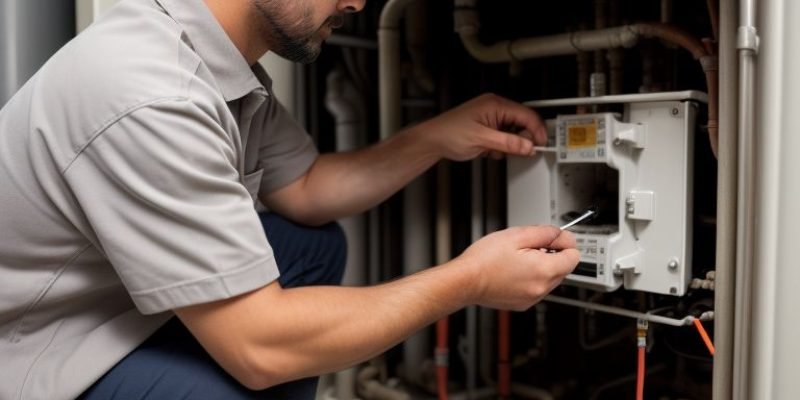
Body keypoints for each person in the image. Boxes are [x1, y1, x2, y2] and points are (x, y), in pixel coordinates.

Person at [0, 0, 580, 398]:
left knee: (307, 246)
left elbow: (305, 190)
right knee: (259, 370)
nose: (357, 3)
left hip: (110, 307)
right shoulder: (154, 94)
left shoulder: (220, 61)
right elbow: (260, 349)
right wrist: (470, 281)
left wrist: (434, 136)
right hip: (34, 358)